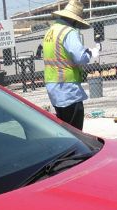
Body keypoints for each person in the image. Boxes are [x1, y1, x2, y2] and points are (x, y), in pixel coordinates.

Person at [42, 0, 100, 130]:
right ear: (74, 20)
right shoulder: (68, 32)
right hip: (68, 89)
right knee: (76, 133)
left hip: (53, 88)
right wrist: (91, 53)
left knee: (65, 130)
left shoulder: (50, 32)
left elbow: (60, 56)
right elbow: (80, 57)